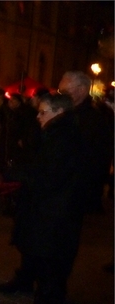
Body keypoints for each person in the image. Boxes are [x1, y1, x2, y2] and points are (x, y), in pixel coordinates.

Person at [0, 93, 85, 304]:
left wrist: (17, 173)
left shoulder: (63, 138)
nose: (38, 116)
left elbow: (48, 178)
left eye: (43, 111)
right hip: (51, 214)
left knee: (52, 273)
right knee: (44, 268)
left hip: (55, 217)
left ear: (59, 112)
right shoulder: (57, 134)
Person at [58, 71, 114, 214]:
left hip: (79, 191)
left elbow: (95, 158)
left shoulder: (92, 119)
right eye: (60, 91)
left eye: (65, 92)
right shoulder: (66, 113)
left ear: (82, 90)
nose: (62, 96)